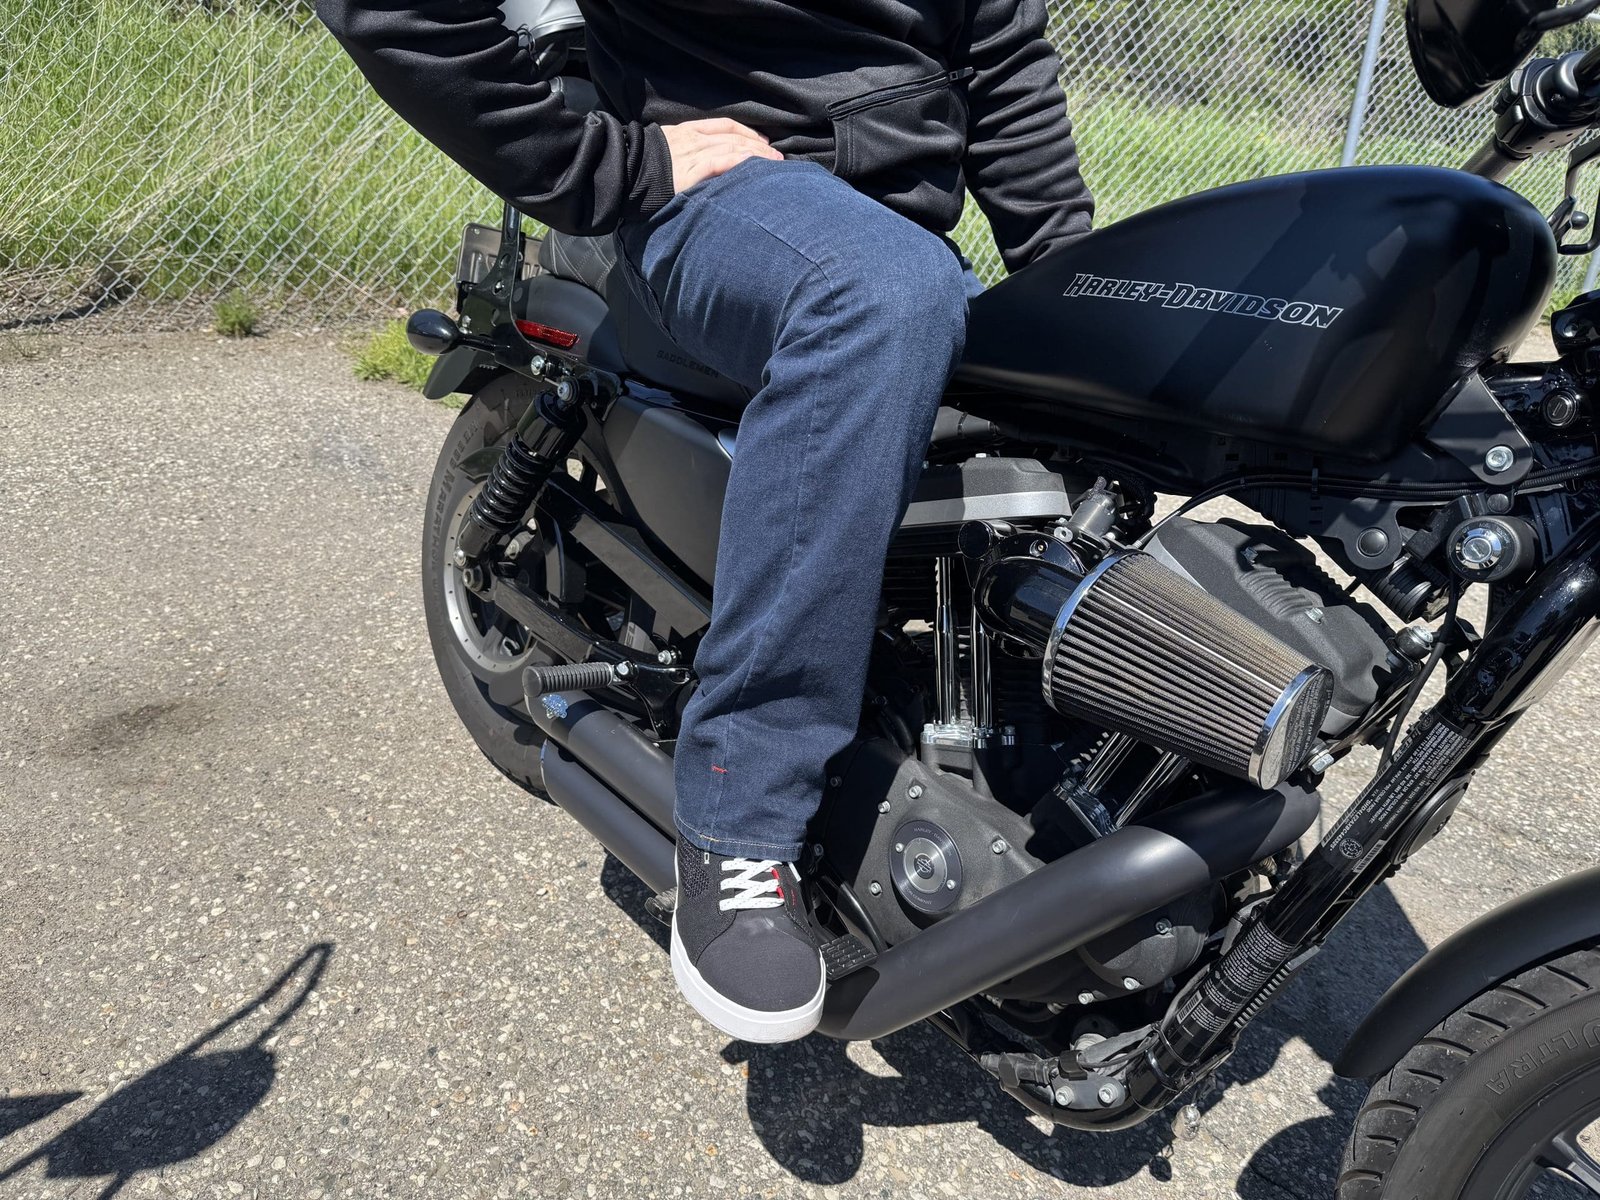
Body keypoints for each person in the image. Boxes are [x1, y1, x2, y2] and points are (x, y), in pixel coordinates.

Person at [318, 0, 1094, 1044]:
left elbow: (999, 54)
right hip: (714, 203)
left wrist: (1073, 286)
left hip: (899, 232)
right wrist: (602, 166)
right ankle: (741, 811)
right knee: (881, 296)